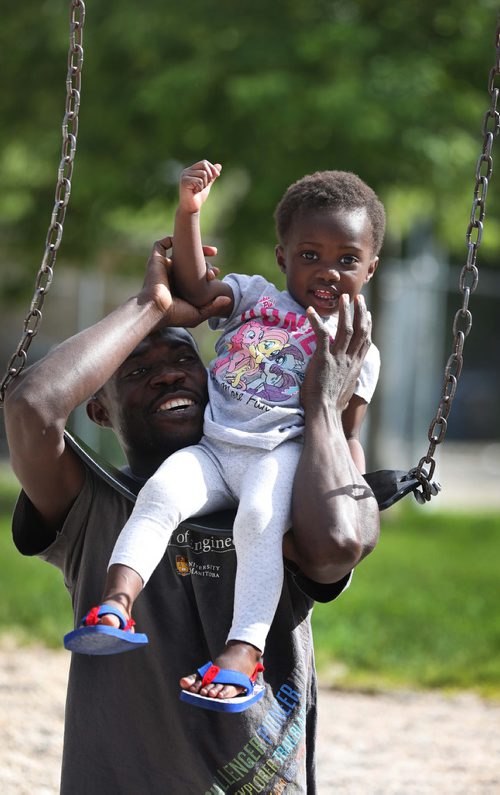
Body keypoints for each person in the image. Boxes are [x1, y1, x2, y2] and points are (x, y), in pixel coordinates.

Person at [5, 233, 380, 793]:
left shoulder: (289, 494)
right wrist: (151, 306)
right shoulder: (90, 504)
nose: (169, 373)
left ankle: (240, 656)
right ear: (99, 411)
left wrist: (323, 407)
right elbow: (31, 405)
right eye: (136, 371)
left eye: (185, 357)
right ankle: (115, 608)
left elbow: (340, 543)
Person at [67, 160, 385, 714]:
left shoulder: (358, 349)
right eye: (310, 256)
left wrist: (352, 497)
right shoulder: (258, 297)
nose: (328, 271)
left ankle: (243, 651)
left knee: (258, 520)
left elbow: (344, 434)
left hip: (280, 456)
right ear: (284, 257)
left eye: (347, 260)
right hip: (214, 447)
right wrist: (189, 212)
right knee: (160, 495)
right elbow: (193, 285)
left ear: (371, 268)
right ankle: (116, 604)